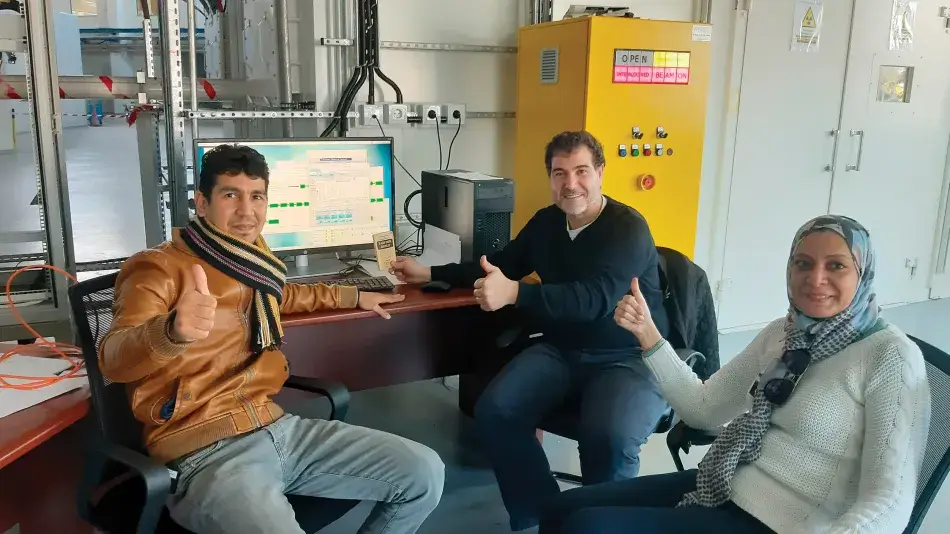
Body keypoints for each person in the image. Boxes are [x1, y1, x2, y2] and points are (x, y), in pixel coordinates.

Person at [99, 144, 444, 534]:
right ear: (201, 202)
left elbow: (281, 294)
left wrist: (353, 295)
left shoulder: (250, 258)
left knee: (424, 473)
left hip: (276, 426)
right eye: (231, 195)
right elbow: (113, 358)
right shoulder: (157, 268)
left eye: (256, 196)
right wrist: (171, 332)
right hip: (204, 451)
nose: (247, 212)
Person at [539, 215, 932, 534]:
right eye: (803, 263)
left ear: (862, 274)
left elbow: (890, 502)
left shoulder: (891, 358)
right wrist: (648, 334)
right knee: (562, 508)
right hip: (726, 482)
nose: (816, 279)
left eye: (837, 266)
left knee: (587, 528)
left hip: (788, 522)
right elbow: (703, 408)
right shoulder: (785, 332)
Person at [391, 131, 670, 531]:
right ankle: (544, 514)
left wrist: (515, 294)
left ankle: (605, 523)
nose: (570, 184)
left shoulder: (627, 229)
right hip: (562, 349)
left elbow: (592, 300)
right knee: (496, 411)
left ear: (601, 173)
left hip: (626, 356)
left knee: (608, 435)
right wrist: (430, 271)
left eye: (581, 171)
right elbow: (501, 265)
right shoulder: (547, 222)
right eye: (559, 173)